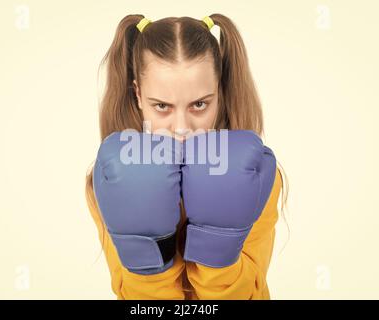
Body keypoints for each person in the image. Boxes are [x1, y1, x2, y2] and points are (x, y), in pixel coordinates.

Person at [85, 14, 289, 300]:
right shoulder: (111, 177)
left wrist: (217, 253)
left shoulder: (256, 175)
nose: (181, 128)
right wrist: (151, 262)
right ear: (139, 96)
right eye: (162, 106)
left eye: (199, 104)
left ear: (220, 94)